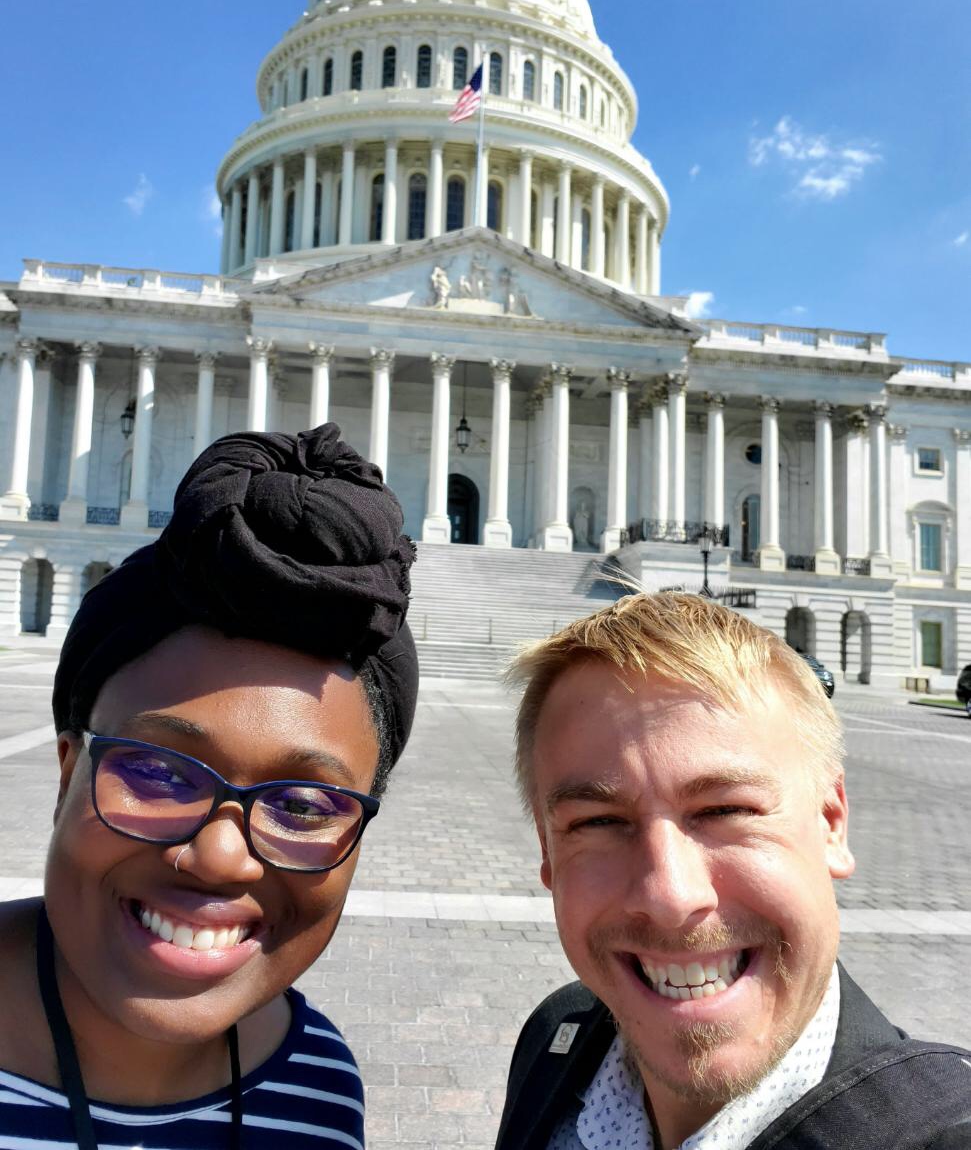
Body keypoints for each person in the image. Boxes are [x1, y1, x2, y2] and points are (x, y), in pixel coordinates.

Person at [0, 424, 418, 1148]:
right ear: (69, 768)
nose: (222, 857)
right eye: (159, 771)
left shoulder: (319, 1092)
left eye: (302, 804)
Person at [496, 593, 971, 1150]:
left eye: (726, 810)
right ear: (548, 855)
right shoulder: (556, 1035)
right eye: (598, 822)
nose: (671, 895)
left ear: (830, 824)